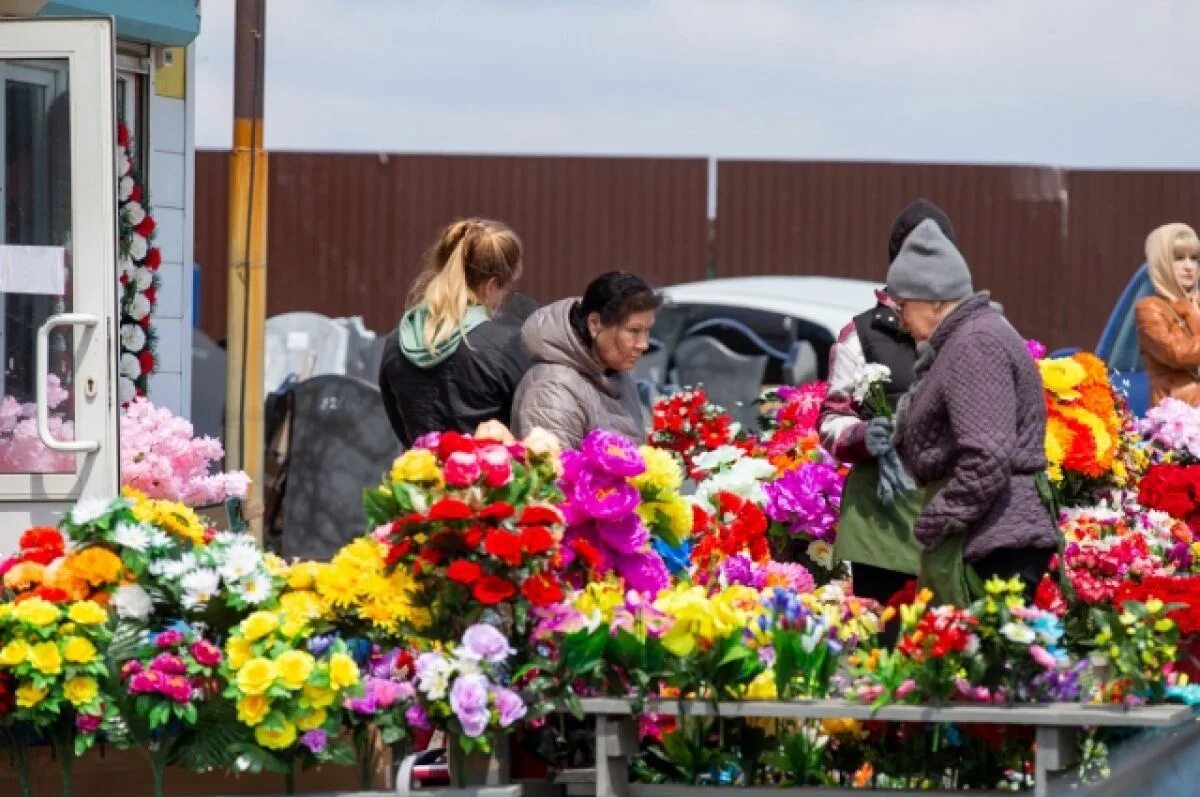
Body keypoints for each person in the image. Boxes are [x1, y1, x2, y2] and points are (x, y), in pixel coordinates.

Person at [889, 219, 1058, 600]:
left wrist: (935, 520)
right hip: (994, 533)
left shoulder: (975, 344)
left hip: (994, 544)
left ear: (935, 299)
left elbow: (986, 456)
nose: (899, 319)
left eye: (903, 305)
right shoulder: (970, 337)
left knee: (983, 656)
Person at [818, 199, 959, 606]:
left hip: (953, 514)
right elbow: (831, 420)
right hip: (883, 526)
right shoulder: (859, 335)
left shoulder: (970, 330)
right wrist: (863, 435)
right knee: (886, 644)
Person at [378, 218, 528, 447]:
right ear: (491, 285)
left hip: (417, 479)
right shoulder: (504, 347)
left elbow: (400, 426)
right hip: (485, 481)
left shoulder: (395, 343)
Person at [512, 271, 659, 448]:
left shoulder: (616, 373)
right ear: (594, 324)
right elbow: (557, 471)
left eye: (647, 330)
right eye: (634, 331)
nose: (643, 344)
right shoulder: (552, 388)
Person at [1135, 223, 1200, 408]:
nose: (1189, 267)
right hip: (1177, 417)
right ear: (1162, 262)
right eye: (1179, 258)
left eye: (1194, 258)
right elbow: (1176, 353)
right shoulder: (1150, 308)